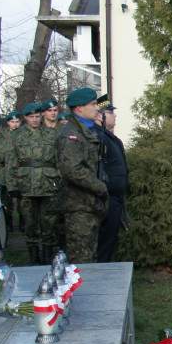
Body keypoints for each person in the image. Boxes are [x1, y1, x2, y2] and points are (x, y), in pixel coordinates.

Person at [56, 88, 108, 264]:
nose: (97, 108)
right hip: (77, 205)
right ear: (79, 108)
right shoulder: (71, 134)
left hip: (89, 204)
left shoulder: (87, 131)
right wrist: (100, 186)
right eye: (93, 104)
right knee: (81, 260)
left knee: (90, 256)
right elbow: (72, 170)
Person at [8, 102, 61, 265]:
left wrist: (59, 180)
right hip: (26, 184)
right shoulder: (17, 136)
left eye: (37, 116)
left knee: (49, 221)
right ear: (25, 118)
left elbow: (58, 160)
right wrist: (12, 186)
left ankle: (46, 255)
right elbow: (11, 162)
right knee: (30, 222)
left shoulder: (51, 135)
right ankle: (33, 255)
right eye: (31, 117)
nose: (35, 120)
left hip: (47, 183)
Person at [95, 94, 129, 262]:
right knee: (103, 241)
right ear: (100, 115)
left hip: (115, 196)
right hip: (106, 197)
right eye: (109, 112)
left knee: (110, 240)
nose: (114, 115)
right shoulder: (97, 137)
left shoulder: (110, 138)